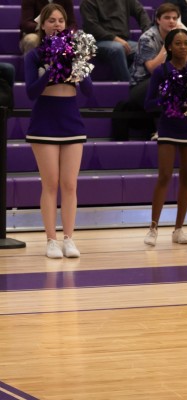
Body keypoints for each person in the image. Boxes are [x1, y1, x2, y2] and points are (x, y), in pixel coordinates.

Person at [24, 4, 94, 258]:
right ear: (42, 25)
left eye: (60, 20)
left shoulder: (75, 52)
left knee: (70, 184)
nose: (56, 24)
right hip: (44, 121)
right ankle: (51, 240)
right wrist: (51, 71)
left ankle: (69, 239)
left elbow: (88, 90)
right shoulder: (34, 56)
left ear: (67, 24)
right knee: (50, 183)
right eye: (51, 20)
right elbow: (31, 92)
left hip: (71, 120)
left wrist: (77, 62)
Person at [143, 29, 187, 246]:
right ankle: (153, 228)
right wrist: (167, 98)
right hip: (168, 129)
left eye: (186, 43)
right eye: (178, 43)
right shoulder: (161, 72)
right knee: (165, 176)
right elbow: (148, 104)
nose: (183, 47)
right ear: (169, 47)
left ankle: (179, 229)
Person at [111, 3, 182, 141]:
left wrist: (184, 42)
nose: (172, 21)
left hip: (165, 83)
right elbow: (153, 69)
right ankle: (162, 130)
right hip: (140, 87)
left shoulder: (179, 37)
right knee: (164, 78)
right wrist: (167, 45)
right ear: (158, 20)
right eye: (167, 17)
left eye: (174, 18)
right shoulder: (147, 38)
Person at [80, 0, 152, 82]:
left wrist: (148, 34)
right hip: (97, 41)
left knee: (147, 49)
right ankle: (129, 86)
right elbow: (92, 27)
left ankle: (143, 85)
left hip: (123, 41)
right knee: (117, 49)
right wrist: (115, 39)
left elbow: (140, 12)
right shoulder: (88, 2)